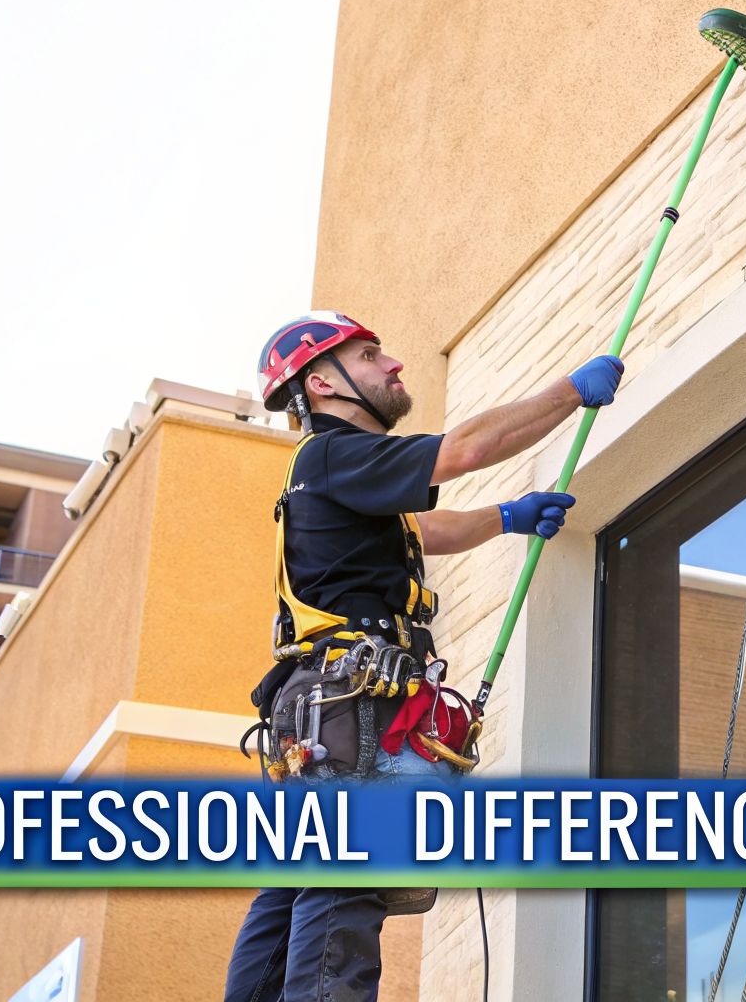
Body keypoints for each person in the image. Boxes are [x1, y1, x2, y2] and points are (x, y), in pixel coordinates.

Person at [224, 311, 622, 1000]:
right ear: (321, 382)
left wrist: (506, 517)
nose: (394, 365)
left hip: (321, 704)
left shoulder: (335, 475)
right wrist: (568, 393)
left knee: (297, 885)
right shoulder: (332, 453)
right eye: (371, 355)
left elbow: (422, 529)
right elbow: (460, 450)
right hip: (346, 702)